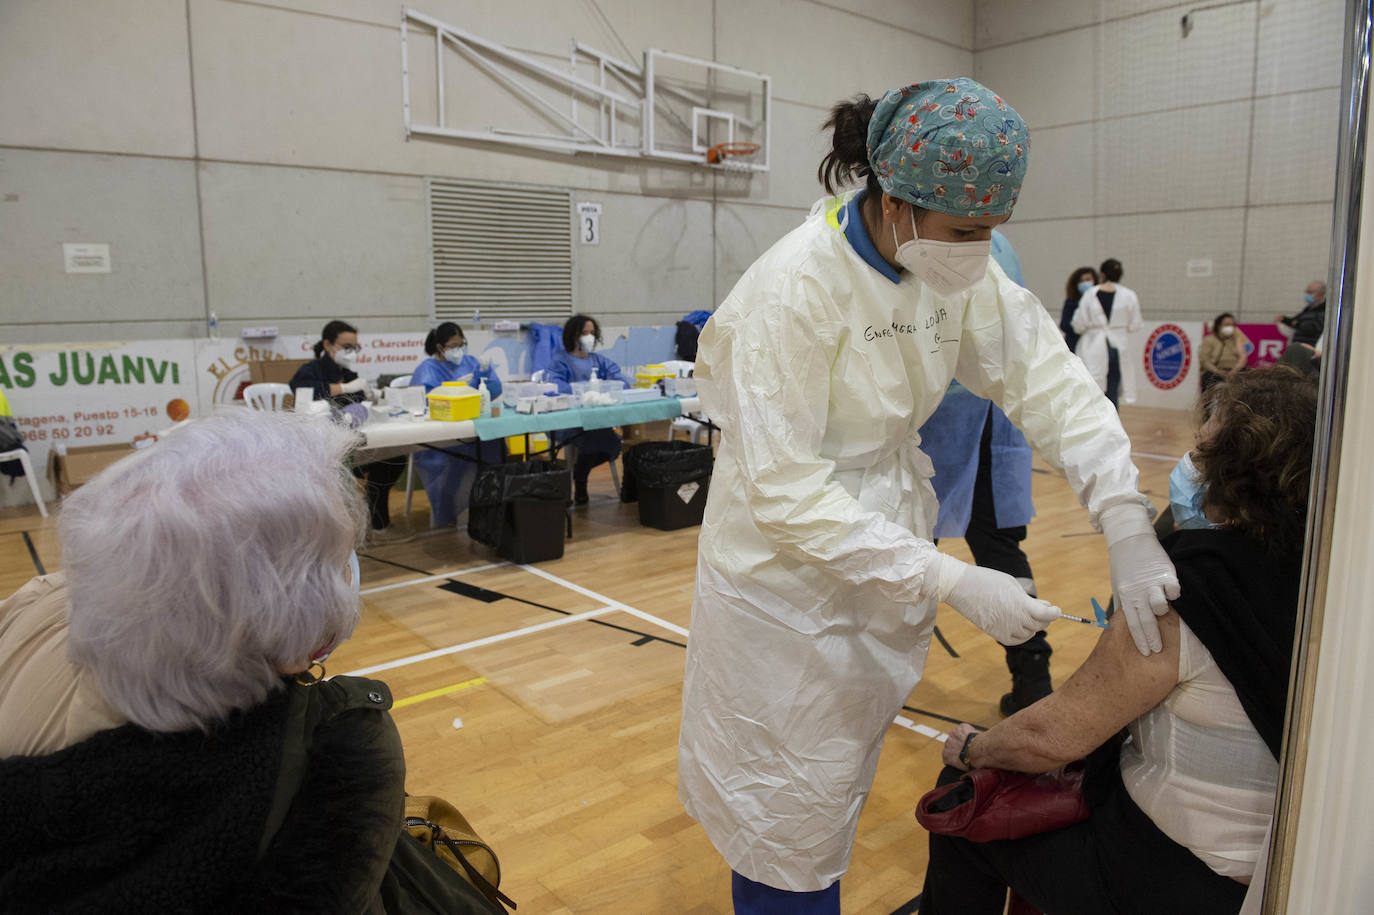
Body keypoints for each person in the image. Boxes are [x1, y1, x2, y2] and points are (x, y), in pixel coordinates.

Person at [678, 78, 1179, 913]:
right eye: (965, 231)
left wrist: (1123, 515)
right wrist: (951, 579)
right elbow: (787, 493)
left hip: (878, 547)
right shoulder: (795, 289)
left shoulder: (951, 271)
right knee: (785, 813)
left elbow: (1047, 379)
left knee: (834, 782)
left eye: (991, 231)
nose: (978, 252)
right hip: (783, 581)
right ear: (896, 201)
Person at [918, 367, 1316, 915]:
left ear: (1233, 471)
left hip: (1177, 873)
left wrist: (971, 748)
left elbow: (1054, 736)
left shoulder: (1186, 588)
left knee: (960, 799)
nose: (1189, 466)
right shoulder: (1322, 573)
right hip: (1278, 868)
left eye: (1200, 453)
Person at [0, 410, 405, 911]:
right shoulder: (331, 759)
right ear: (295, 648)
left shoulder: (34, 603)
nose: (350, 569)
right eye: (340, 557)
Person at [919, 231, 1050, 718]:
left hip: (939, 420)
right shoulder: (1004, 245)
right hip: (995, 420)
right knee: (1000, 551)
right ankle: (1034, 678)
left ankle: (875, 678)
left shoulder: (928, 232)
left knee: (911, 548)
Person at [290, 320, 411, 544]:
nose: (351, 353)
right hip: (322, 445)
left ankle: (377, 521)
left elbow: (358, 402)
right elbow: (301, 390)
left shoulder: (347, 372)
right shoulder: (310, 371)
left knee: (392, 458)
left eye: (355, 348)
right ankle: (342, 532)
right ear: (328, 345)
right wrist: (345, 388)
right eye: (347, 347)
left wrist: (369, 395)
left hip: (353, 439)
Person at [410, 322, 504, 527]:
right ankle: (446, 508)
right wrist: (458, 391)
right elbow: (425, 401)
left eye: (462, 344)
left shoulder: (472, 362)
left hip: (474, 429)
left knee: (496, 444)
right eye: (453, 346)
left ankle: (489, 503)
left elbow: (494, 391)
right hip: (444, 436)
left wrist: (486, 374)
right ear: (439, 347)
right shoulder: (428, 370)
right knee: (455, 458)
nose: (459, 350)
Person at [546, 314, 628, 505]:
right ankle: (580, 481)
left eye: (592, 332)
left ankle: (581, 475)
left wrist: (605, 386)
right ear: (572, 335)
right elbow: (556, 387)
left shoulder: (599, 361)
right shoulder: (560, 361)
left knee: (613, 444)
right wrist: (585, 388)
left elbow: (622, 382)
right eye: (584, 333)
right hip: (569, 422)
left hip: (597, 421)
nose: (589, 337)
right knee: (593, 441)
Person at [1072, 258, 1143, 408]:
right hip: (1118, 347)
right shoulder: (1130, 295)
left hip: (1093, 347)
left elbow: (1078, 324)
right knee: (1112, 389)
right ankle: (1112, 425)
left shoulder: (1091, 294)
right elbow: (1135, 324)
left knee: (1093, 390)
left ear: (1102, 274)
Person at [1198, 312, 1249, 391]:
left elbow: (1243, 357)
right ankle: (1207, 403)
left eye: (1232, 325)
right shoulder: (1209, 340)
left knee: (1247, 377)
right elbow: (1205, 361)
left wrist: (1234, 371)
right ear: (1219, 326)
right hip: (1215, 371)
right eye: (1227, 324)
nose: (1230, 327)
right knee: (1208, 377)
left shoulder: (1236, 338)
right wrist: (1218, 372)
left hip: (1234, 371)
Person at [1275, 280, 1326, 347]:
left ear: (1321, 293)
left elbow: (1310, 327)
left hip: (1311, 348)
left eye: (1310, 292)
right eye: (1307, 292)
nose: (1307, 295)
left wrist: (1298, 323)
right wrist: (1284, 319)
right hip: (1299, 347)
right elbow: (1295, 321)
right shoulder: (1308, 309)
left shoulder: (1324, 310)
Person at [1059, 266, 1098, 353]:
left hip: (1095, 344)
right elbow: (1064, 325)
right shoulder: (1071, 303)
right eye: (1081, 281)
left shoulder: (1100, 302)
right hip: (1075, 343)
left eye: (1088, 280)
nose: (1085, 283)